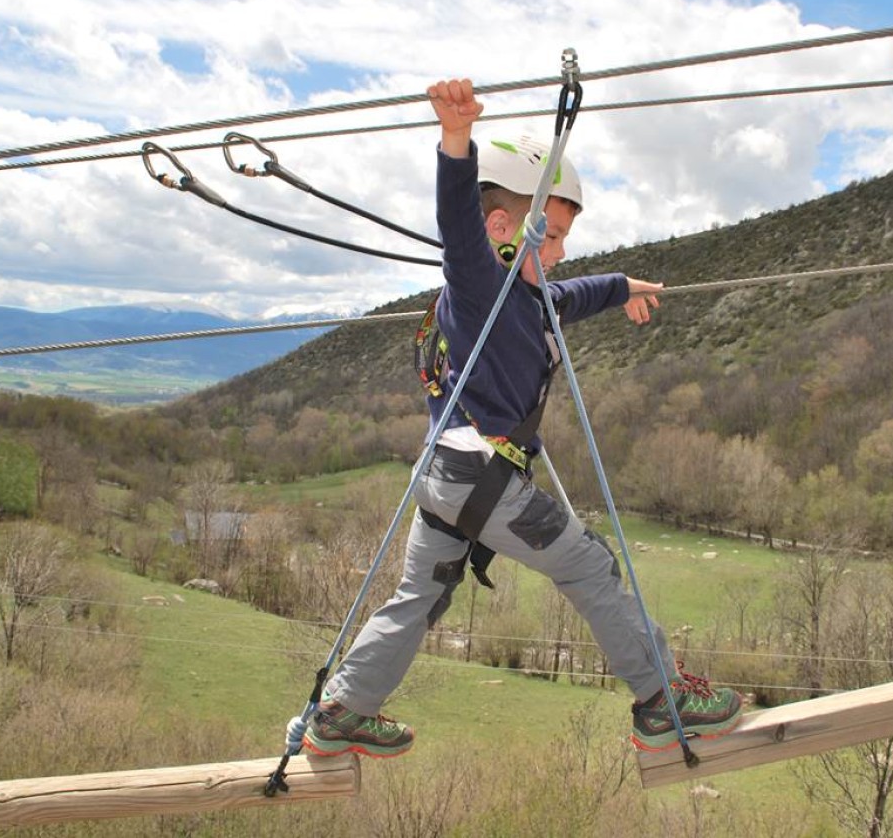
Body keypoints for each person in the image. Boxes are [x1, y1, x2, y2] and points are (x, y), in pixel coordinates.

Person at [302, 77, 741, 758]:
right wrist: (456, 140)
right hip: (484, 479)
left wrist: (622, 287)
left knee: (420, 596)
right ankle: (662, 700)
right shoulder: (478, 285)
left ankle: (343, 713)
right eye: (554, 236)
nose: (561, 251)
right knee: (590, 566)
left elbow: (569, 295)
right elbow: (458, 223)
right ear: (502, 231)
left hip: (448, 479)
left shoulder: (523, 300)